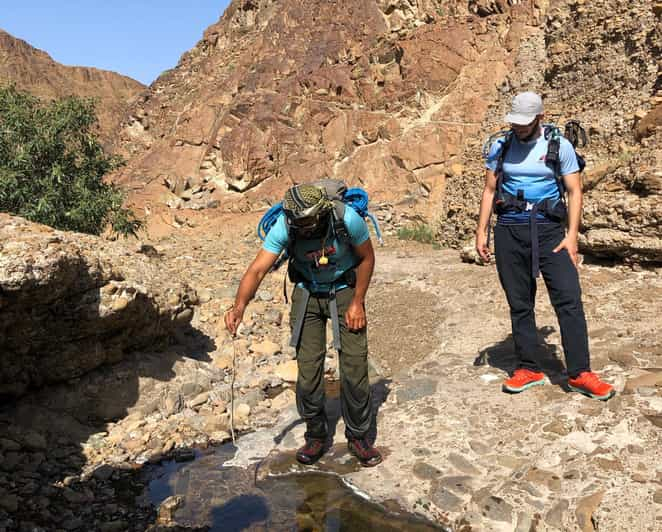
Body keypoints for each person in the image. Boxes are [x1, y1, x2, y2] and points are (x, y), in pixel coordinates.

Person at [224, 182, 383, 466]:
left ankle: (359, 436)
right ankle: (316, 435)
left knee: (354, 365)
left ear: (322, 212)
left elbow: (367, 257)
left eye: (309, 221)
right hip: (307, 293)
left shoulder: (346, 218)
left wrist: (358, 300)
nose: (305, 227)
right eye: (300, 222)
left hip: (345, 288)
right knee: (309, 370)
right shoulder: (286, 226)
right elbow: (258, 269)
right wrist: (239, 306)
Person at [475, 91, 615, 401]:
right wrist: (481, 232)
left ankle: (580, 373)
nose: (519, 128)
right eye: (515, 122)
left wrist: (572, 235)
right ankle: (528, 368)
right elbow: (489, 190)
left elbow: (574, 191)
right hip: (510, 230)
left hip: (551, 231)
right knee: (520, 302)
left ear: (540, 117)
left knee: (568, 299)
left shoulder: (559, 145)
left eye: (525, 123)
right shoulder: (501, 145)